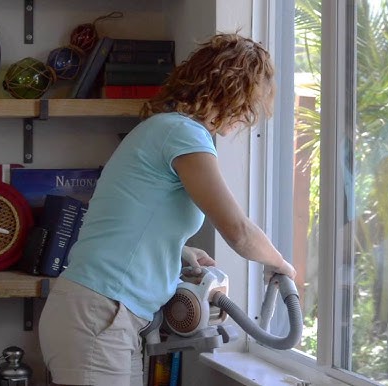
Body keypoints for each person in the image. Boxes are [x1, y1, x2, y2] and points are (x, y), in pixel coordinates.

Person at [38, 32, 297, 386]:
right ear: (231, 94)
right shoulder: (183, 135)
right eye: (249, 106)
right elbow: (238, 230)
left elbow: (128, 220)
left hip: (108, 316)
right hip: (99, 315)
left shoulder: (163, 129)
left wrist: (180, 252)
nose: (244, 120)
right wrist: (280, 263)